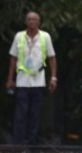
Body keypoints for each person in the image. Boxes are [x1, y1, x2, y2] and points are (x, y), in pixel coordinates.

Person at [6, 11, 57, 145]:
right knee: (21, 112)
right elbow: (13, 58)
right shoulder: (19, 36)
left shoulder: (45, 36)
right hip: (22, 80)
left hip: (38, 80)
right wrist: (10, 79)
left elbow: (52, 57)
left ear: (39, 22)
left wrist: (53, 77)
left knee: (35, 112)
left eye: (35, 20)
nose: (32, 22)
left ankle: (32, 141)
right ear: (26, 22)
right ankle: (18, 141)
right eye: (29, 19)